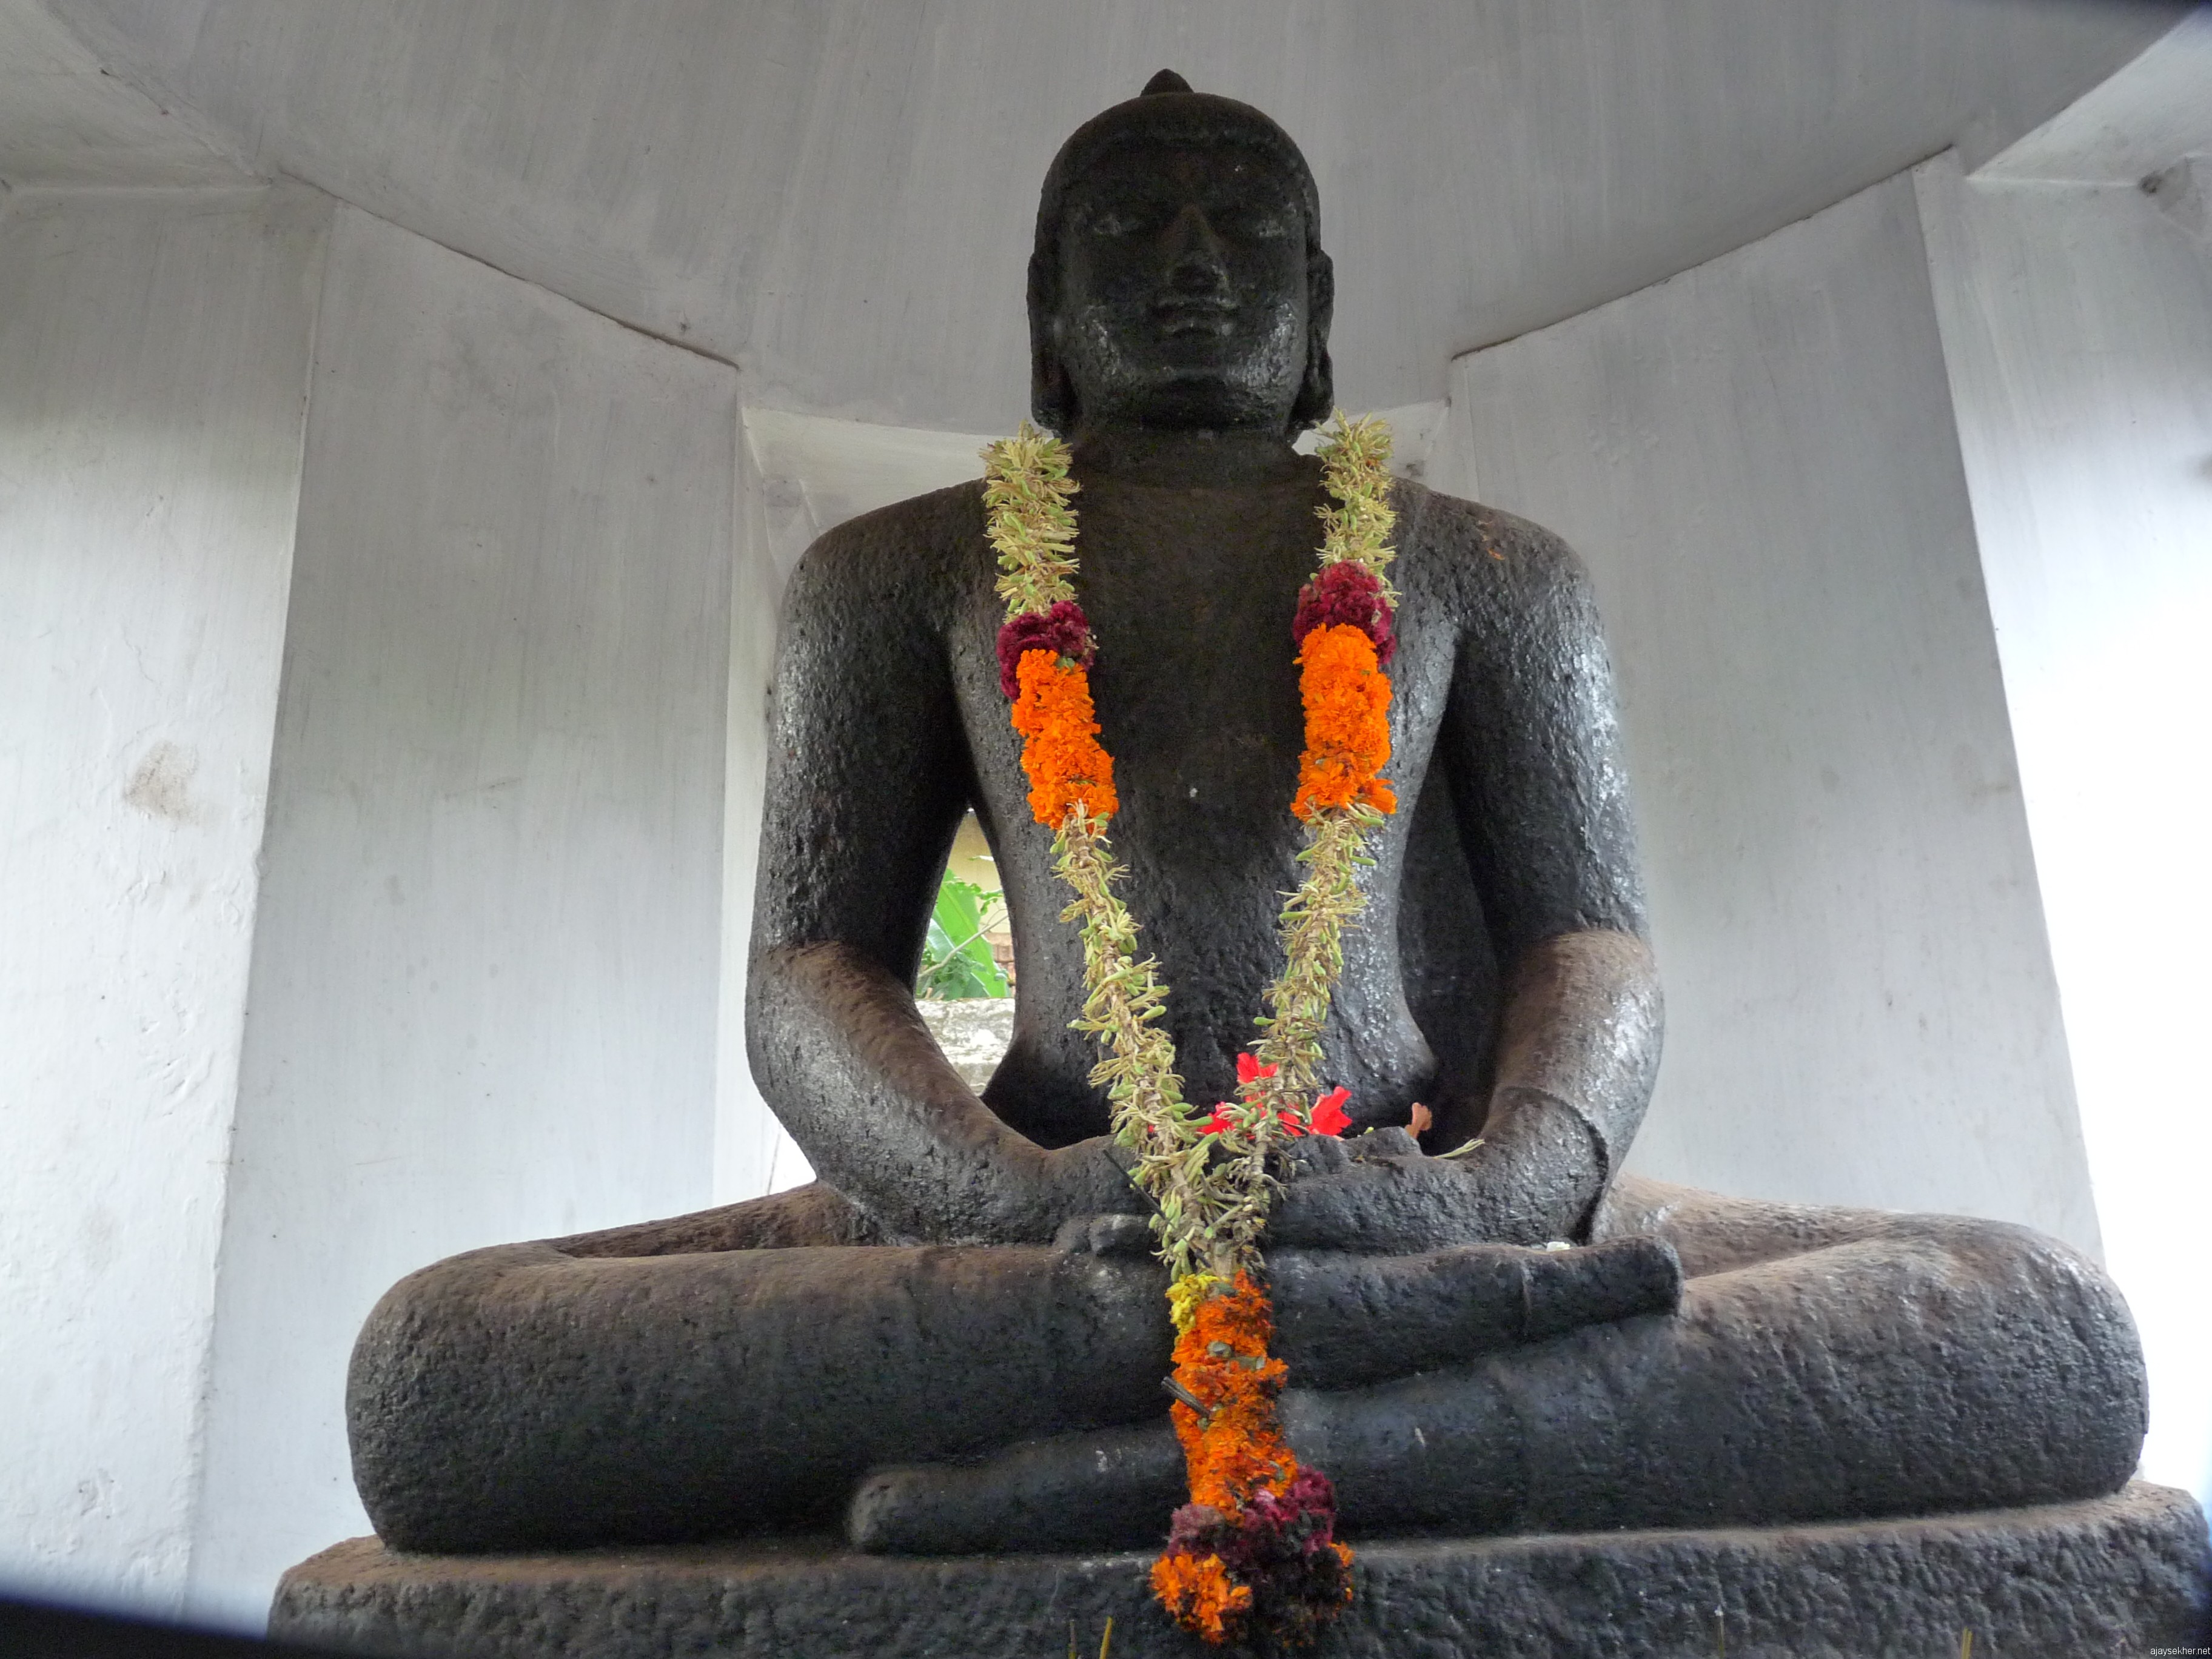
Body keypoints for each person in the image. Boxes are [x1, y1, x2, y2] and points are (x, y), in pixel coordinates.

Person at [345, 74, 2144, 1557]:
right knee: (437, 1375)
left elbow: (1592, 937)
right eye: (1132, 231)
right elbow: (811, 966)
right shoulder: (900, 576)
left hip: (1419, 1193)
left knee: (2038, 1320)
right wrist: (1010, 1200)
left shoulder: (1484, 574)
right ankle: (1387, 1390)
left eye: (1243, 230)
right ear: (1047, 310)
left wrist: (1519, 1182)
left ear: (1318, 310)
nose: (1194, 267)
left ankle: (1212, 1423)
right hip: (1041, 1219)